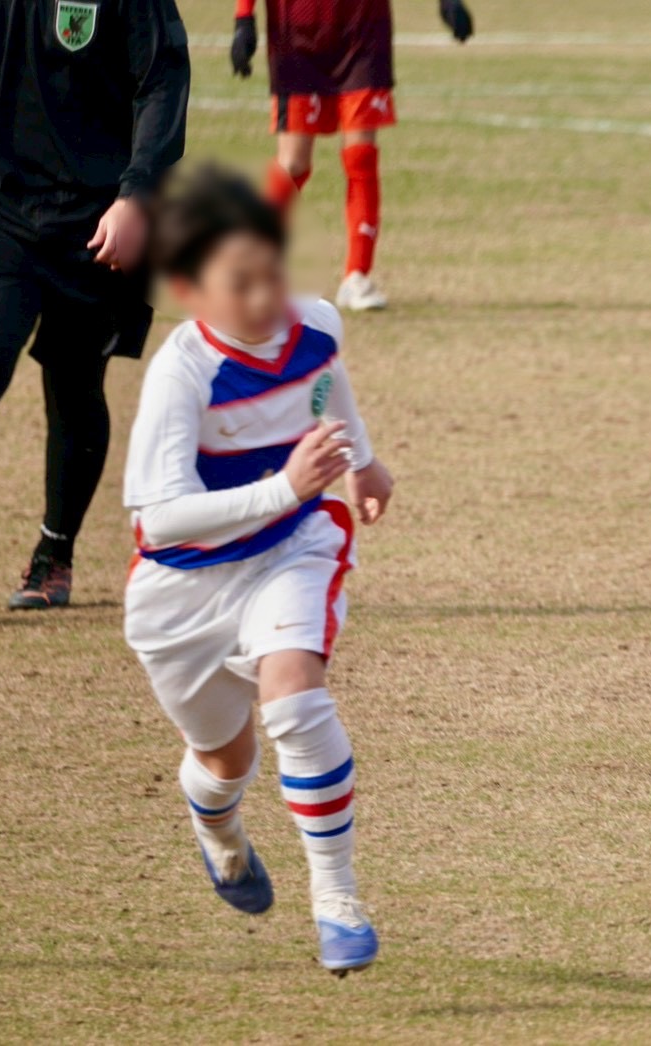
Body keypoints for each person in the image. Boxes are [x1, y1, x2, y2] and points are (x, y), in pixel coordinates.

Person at [123, 166, 395, 974]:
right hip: (181, 592)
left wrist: (362, 462)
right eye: (239, 283)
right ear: (189, 291)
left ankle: (336, 901)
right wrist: (284, 485)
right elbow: (159, 519)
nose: (264, 295)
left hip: (289, 545)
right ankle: (219, 829)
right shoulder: (183, 373)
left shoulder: (314, 323)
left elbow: (327, 379)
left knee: (295, 694)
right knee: (225, 762)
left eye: (270, 271)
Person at [0, 0, 189, 621]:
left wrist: (137, 194)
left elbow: (162, 76)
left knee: (75, 382)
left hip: (98, 219)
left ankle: (54, 554)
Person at [229, 0, 475, 312]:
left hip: (363, 29)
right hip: (296, 35)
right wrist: (244, 18)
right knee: (293, 163)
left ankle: (357, 276)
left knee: (361, 157)